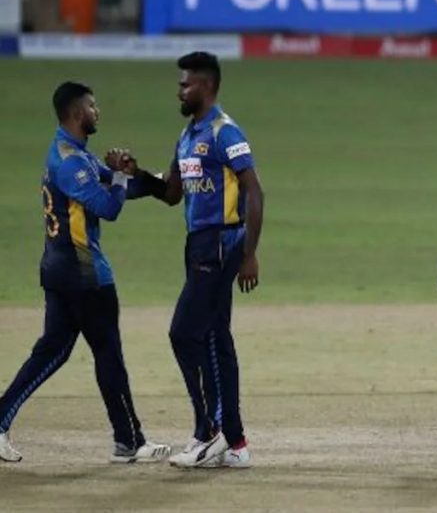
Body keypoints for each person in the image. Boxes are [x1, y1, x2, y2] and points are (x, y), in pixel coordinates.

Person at [0, 81, 169, 464]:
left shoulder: (71, 152)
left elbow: (116, 184)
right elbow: (109, 207)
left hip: (60, 271)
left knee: (52, 352)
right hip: (85, 276)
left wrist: (154, 182)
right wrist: (121, 178)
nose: (97, 112)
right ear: (78, 113)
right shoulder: (72, 163)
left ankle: (1, 420)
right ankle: (129, 441)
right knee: (108, 355)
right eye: (92, 106)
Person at [128, 52, 264, 469]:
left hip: (221, 244)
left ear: (205, 86)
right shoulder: (187, 136)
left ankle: (211, 430)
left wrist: (249, 253)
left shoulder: (225, 132)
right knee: (216, 338)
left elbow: (254, 191)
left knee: (185, 333)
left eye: (185, 84)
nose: (179, 91)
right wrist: (136, 174)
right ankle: (234, 442)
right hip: (198, 245)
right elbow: (172, 193)